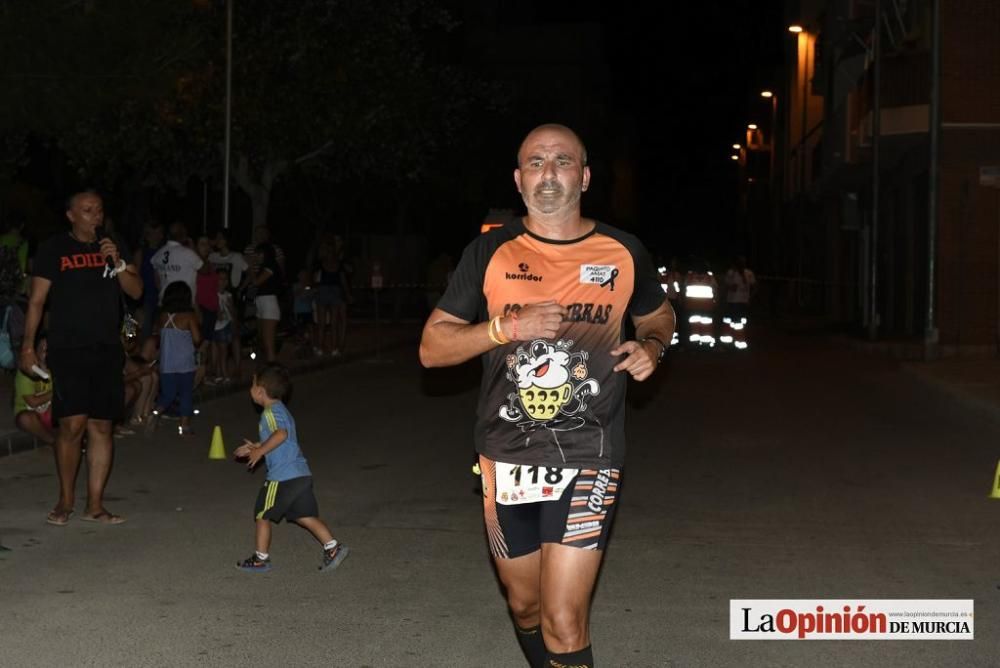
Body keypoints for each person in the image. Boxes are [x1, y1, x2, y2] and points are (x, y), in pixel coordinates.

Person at [419, 124, 675, 668]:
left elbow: (658, 314)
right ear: (518, 179)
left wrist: (653, 345)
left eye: (562, 161)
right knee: (527, 605)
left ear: (583, 176)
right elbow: (432, 349)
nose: (549, 172)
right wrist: (505, 329)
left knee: (564, 618)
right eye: (536, 162)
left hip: (590, 453)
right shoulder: (489, 250)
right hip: (505, 454)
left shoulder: (624, 251)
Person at [20, 189, 143, 526]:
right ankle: (66, 501)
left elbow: (136, 291)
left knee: (102, 426)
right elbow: (36, 301)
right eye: (87, 210)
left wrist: (117, 263)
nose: (95, 216)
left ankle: (96, 505)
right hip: (67, 349)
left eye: (99, 210)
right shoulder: (54, 249)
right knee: (72, 425)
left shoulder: (112, 245)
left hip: (107, 348)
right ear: (71, 215)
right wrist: (28, 345)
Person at [232, 362, 350, 573]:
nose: (250, 389)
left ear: (260, 391)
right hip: (300, 475)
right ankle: (333, 547)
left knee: (262, 513)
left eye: (252, 385)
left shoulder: (270, 413)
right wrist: (257, 446)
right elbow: (281, 437)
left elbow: (281, 435)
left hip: (282, 477)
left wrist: (260, 452)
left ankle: (261, 558)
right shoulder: (281, 410)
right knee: (303, 516)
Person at [145, 281, 201, 437]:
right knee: (185, 394)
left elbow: (157, 334)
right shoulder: (188, 316)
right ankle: (184, 427)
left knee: (168, 394)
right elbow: (197, 339)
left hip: (167, 363)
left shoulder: (162, 316)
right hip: (185, 363)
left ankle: (155, 412)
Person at [210, 229, 249, 379]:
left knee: (234, 334)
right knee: (216, 334)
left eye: (220, 238)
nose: (217, 241)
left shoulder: (236, 257)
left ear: (227, 240)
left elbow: (249, 273)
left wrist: (241, 289)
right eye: (217, 238)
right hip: (216, 295)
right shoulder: (213, 257)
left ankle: (238, 367)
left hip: (232, 295)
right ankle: (216, 368)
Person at [14, 331, 54, 445]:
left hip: (49, 412)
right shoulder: (26, 372)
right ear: (35, 352)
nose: (46, 353)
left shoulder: (55, 369)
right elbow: (33, 402)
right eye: (42, 349)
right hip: (30, 413)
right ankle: (53, 441)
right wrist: (56, 393)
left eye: (49, 349)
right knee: (25, 418)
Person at [150, 221, 202, 304]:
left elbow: (157, 281)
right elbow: (205, 269)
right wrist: (194, 248)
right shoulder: (188, 253)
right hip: (184, 305)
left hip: (164, 303)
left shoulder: (157, 255)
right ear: (184, 235)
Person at [251, 242, 282, 362]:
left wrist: (251, 267)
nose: (257, 257)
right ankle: (266, 369)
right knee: (263, 341)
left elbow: (256, 282)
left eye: (259, 254)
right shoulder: (264, 266)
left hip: (269, 303)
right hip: (262, 303)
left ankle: (272, 372)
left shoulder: (271, 265)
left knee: (268, 343)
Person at [134, 221, 165, 340]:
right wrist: (137, 304)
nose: (156, 236)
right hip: (144, 300)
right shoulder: (141, 253)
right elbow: (134, 277)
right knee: (141, 334)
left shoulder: (164, 252)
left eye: (159, 233)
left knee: (158, 336)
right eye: (153, 233)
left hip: (161, 300)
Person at [722, 255, 756, 351]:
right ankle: (729, 343)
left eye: (743, 261)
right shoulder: (731, 273)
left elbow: (754, 286)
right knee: (729, 322)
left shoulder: (748, 273)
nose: (742, 263)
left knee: (739, 323)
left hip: (742, 302)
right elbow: (727, 286)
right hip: (732, 301)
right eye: (739, 261)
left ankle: (739, 343)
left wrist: (749, 297)